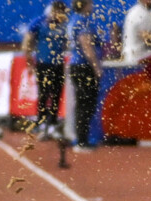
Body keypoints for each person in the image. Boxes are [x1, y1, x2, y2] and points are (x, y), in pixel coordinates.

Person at [23, 2, 69, 140]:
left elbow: (67, 43)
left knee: (56, 94)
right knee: (44, 93)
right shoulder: (39, 23)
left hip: (58, 64)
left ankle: (53, 123)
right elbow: (27, 43)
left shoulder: (64, 25)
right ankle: (42, 122)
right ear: (53, 11)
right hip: (43, 64)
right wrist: (29, 63)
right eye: (59, 12)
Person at [68, 0, 102, 152]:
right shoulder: (83, 22)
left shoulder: (73, 20)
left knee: (83, 103)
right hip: (84, 67)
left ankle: (81, 138)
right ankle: (82, 141)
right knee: (86, 103)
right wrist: (96, 67)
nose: (93, 6)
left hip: (77, 65)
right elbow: (86, 45)